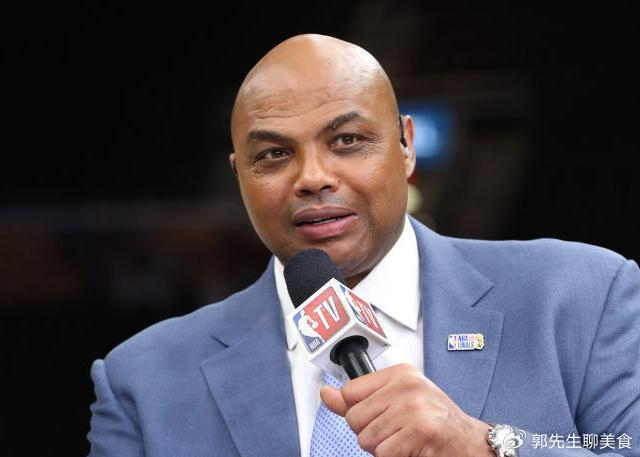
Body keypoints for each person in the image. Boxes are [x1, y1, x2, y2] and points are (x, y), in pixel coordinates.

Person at [87, 34, 640, 457]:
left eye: (347, 140)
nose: (313, 178)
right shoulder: (142, 382)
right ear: (239, 176)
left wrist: (486, 445)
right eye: (273, 155)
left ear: (406, 146)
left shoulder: (581, 298)